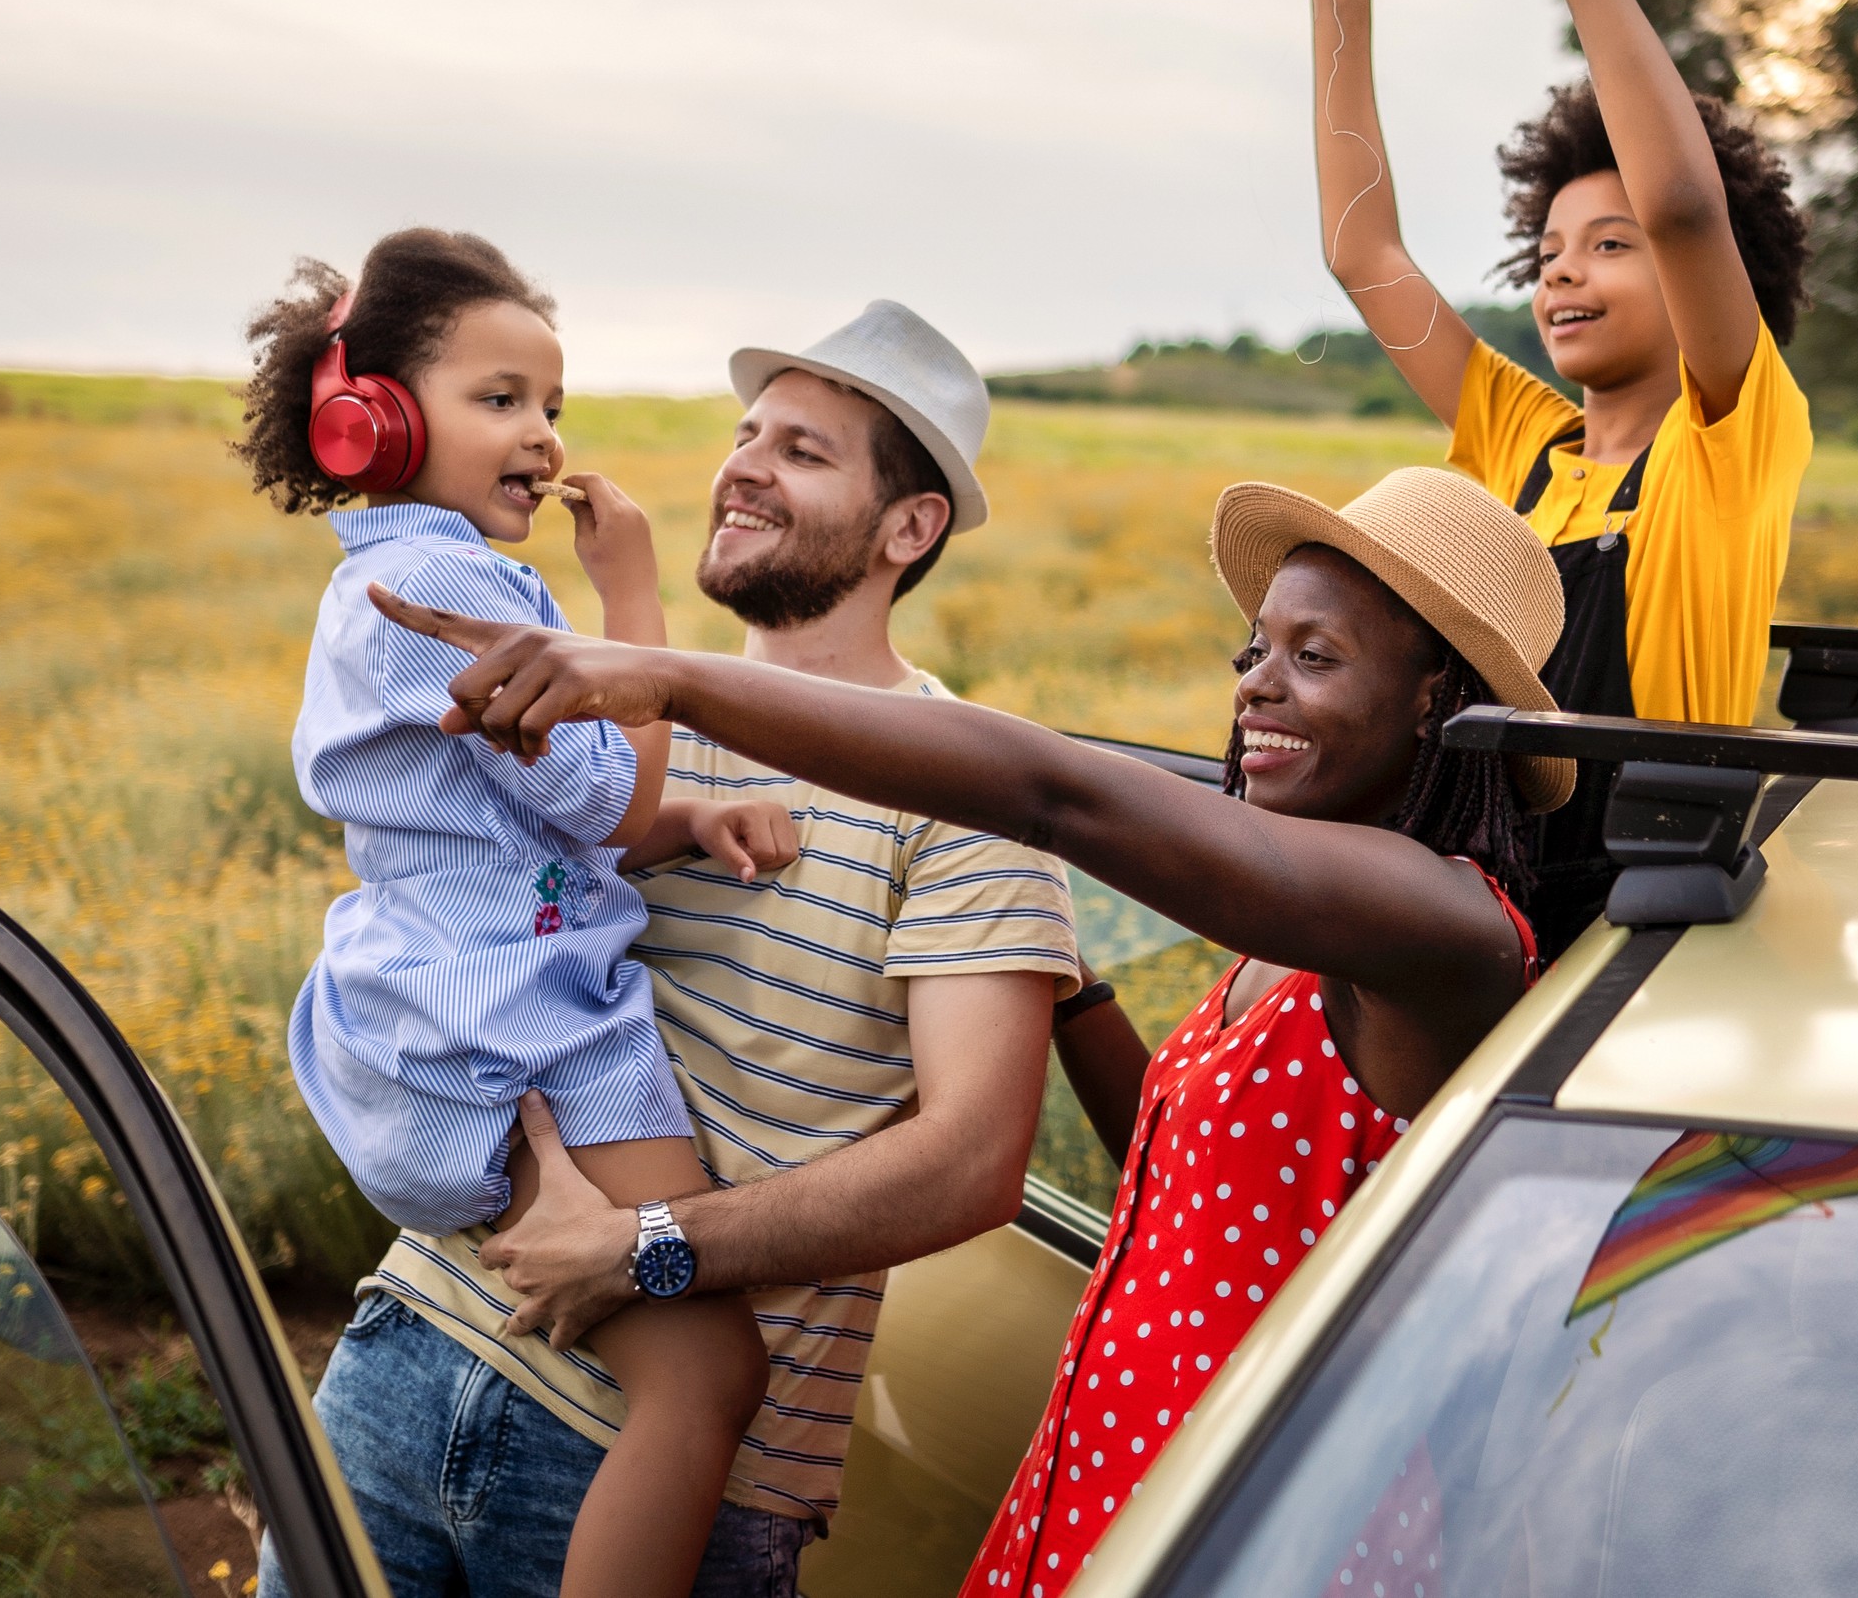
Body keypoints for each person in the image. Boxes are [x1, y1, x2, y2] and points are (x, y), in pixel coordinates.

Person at [369, 465, 1567, 1598]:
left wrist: (663, 677)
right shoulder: (1298, 949)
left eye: (1315, 657)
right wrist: (1072, 988)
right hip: (1120, 1480)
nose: (1256, 683)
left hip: (1271, 1525)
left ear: (1437, 700)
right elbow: (1196, 1165)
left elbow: (1052, 792)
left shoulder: (1449, 932)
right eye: (1256, 650)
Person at [280, 300, 1086, 1598]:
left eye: (804, 451)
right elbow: (443, 926)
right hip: (404, 1351)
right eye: (744, 431)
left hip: (640, 1465)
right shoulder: (616, 709)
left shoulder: (967, 792)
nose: (743, 465)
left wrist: (649, 1244)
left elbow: (974, 1161)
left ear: (910, 525)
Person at [239, 233, 791, 1598]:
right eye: (500, 399)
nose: (542, 437)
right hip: (535, 1029)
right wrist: (636, 602)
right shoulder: (463, 588)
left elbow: (522, 816)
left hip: (431, 1017)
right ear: (374, 415)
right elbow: (603, 802)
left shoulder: (382, 572)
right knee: (713, 1374)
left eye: (554, 405)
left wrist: (684, 821)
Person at [1290, 0, 1817, 951]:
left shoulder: (1729, 434)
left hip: (1638, 926)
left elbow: (1683, 201)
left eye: (1610, 245)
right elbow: (1361, 254)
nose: (1565, 275)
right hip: (1479, 904)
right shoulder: (1520, 437)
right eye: (1549, 253)